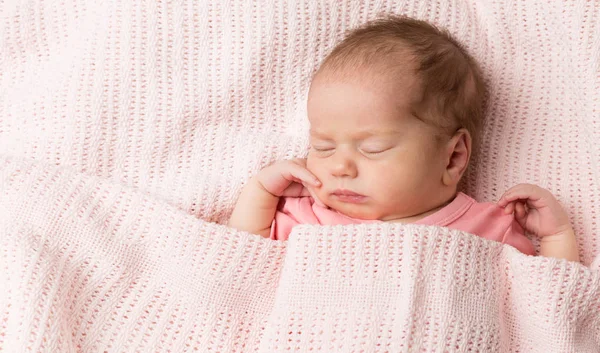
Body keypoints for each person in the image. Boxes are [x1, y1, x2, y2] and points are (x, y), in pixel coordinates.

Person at [228, 15, 579, 262]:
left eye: (372, 148)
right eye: (323, 146)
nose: (339, 166)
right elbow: (242, 262)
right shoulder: (308, 218)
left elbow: (544, 303)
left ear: (453, 157)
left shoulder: (489, 230)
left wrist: (556, 238)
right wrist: (261, 191)